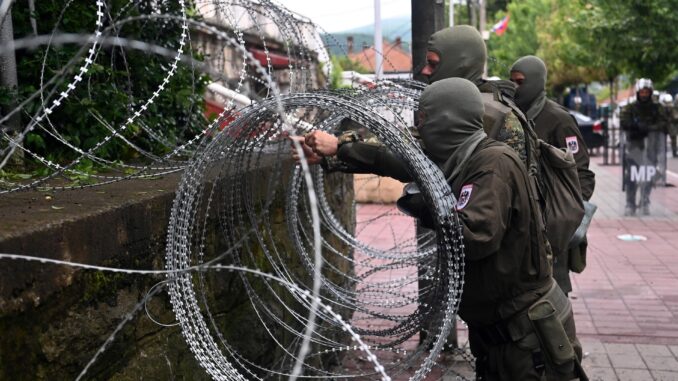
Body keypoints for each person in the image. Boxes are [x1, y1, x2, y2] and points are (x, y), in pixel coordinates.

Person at [397, 78, 586, 380]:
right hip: (505, 334)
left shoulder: (492, 164)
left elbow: (475, 237)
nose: (421, 128)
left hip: (526, 338)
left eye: (424, 119)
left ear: (448, 120)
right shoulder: (469, 159)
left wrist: (429, 206)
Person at [509, 56, 596, 295]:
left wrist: (562, 218)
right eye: (511, 82)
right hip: (520, 224)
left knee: (554, 297)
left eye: (520, 82)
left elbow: (582, 174)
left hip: (550, 229)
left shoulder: (558, 120)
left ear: (536, 82)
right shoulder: (511, 118)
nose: (514, 88)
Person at [620, 79, 669, 216]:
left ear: (651, 92)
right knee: (632, 176)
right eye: (642, 91)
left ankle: (645, 201)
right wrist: (635, 127)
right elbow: (623, 121)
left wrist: (649, 128)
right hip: (634, 147)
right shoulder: (630, 108)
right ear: (638, 92)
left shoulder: (657, 107)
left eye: (647, 92)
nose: (644, 94)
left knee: (649, 175)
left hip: (651, 147)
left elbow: (663, 122)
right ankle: (630, 203)